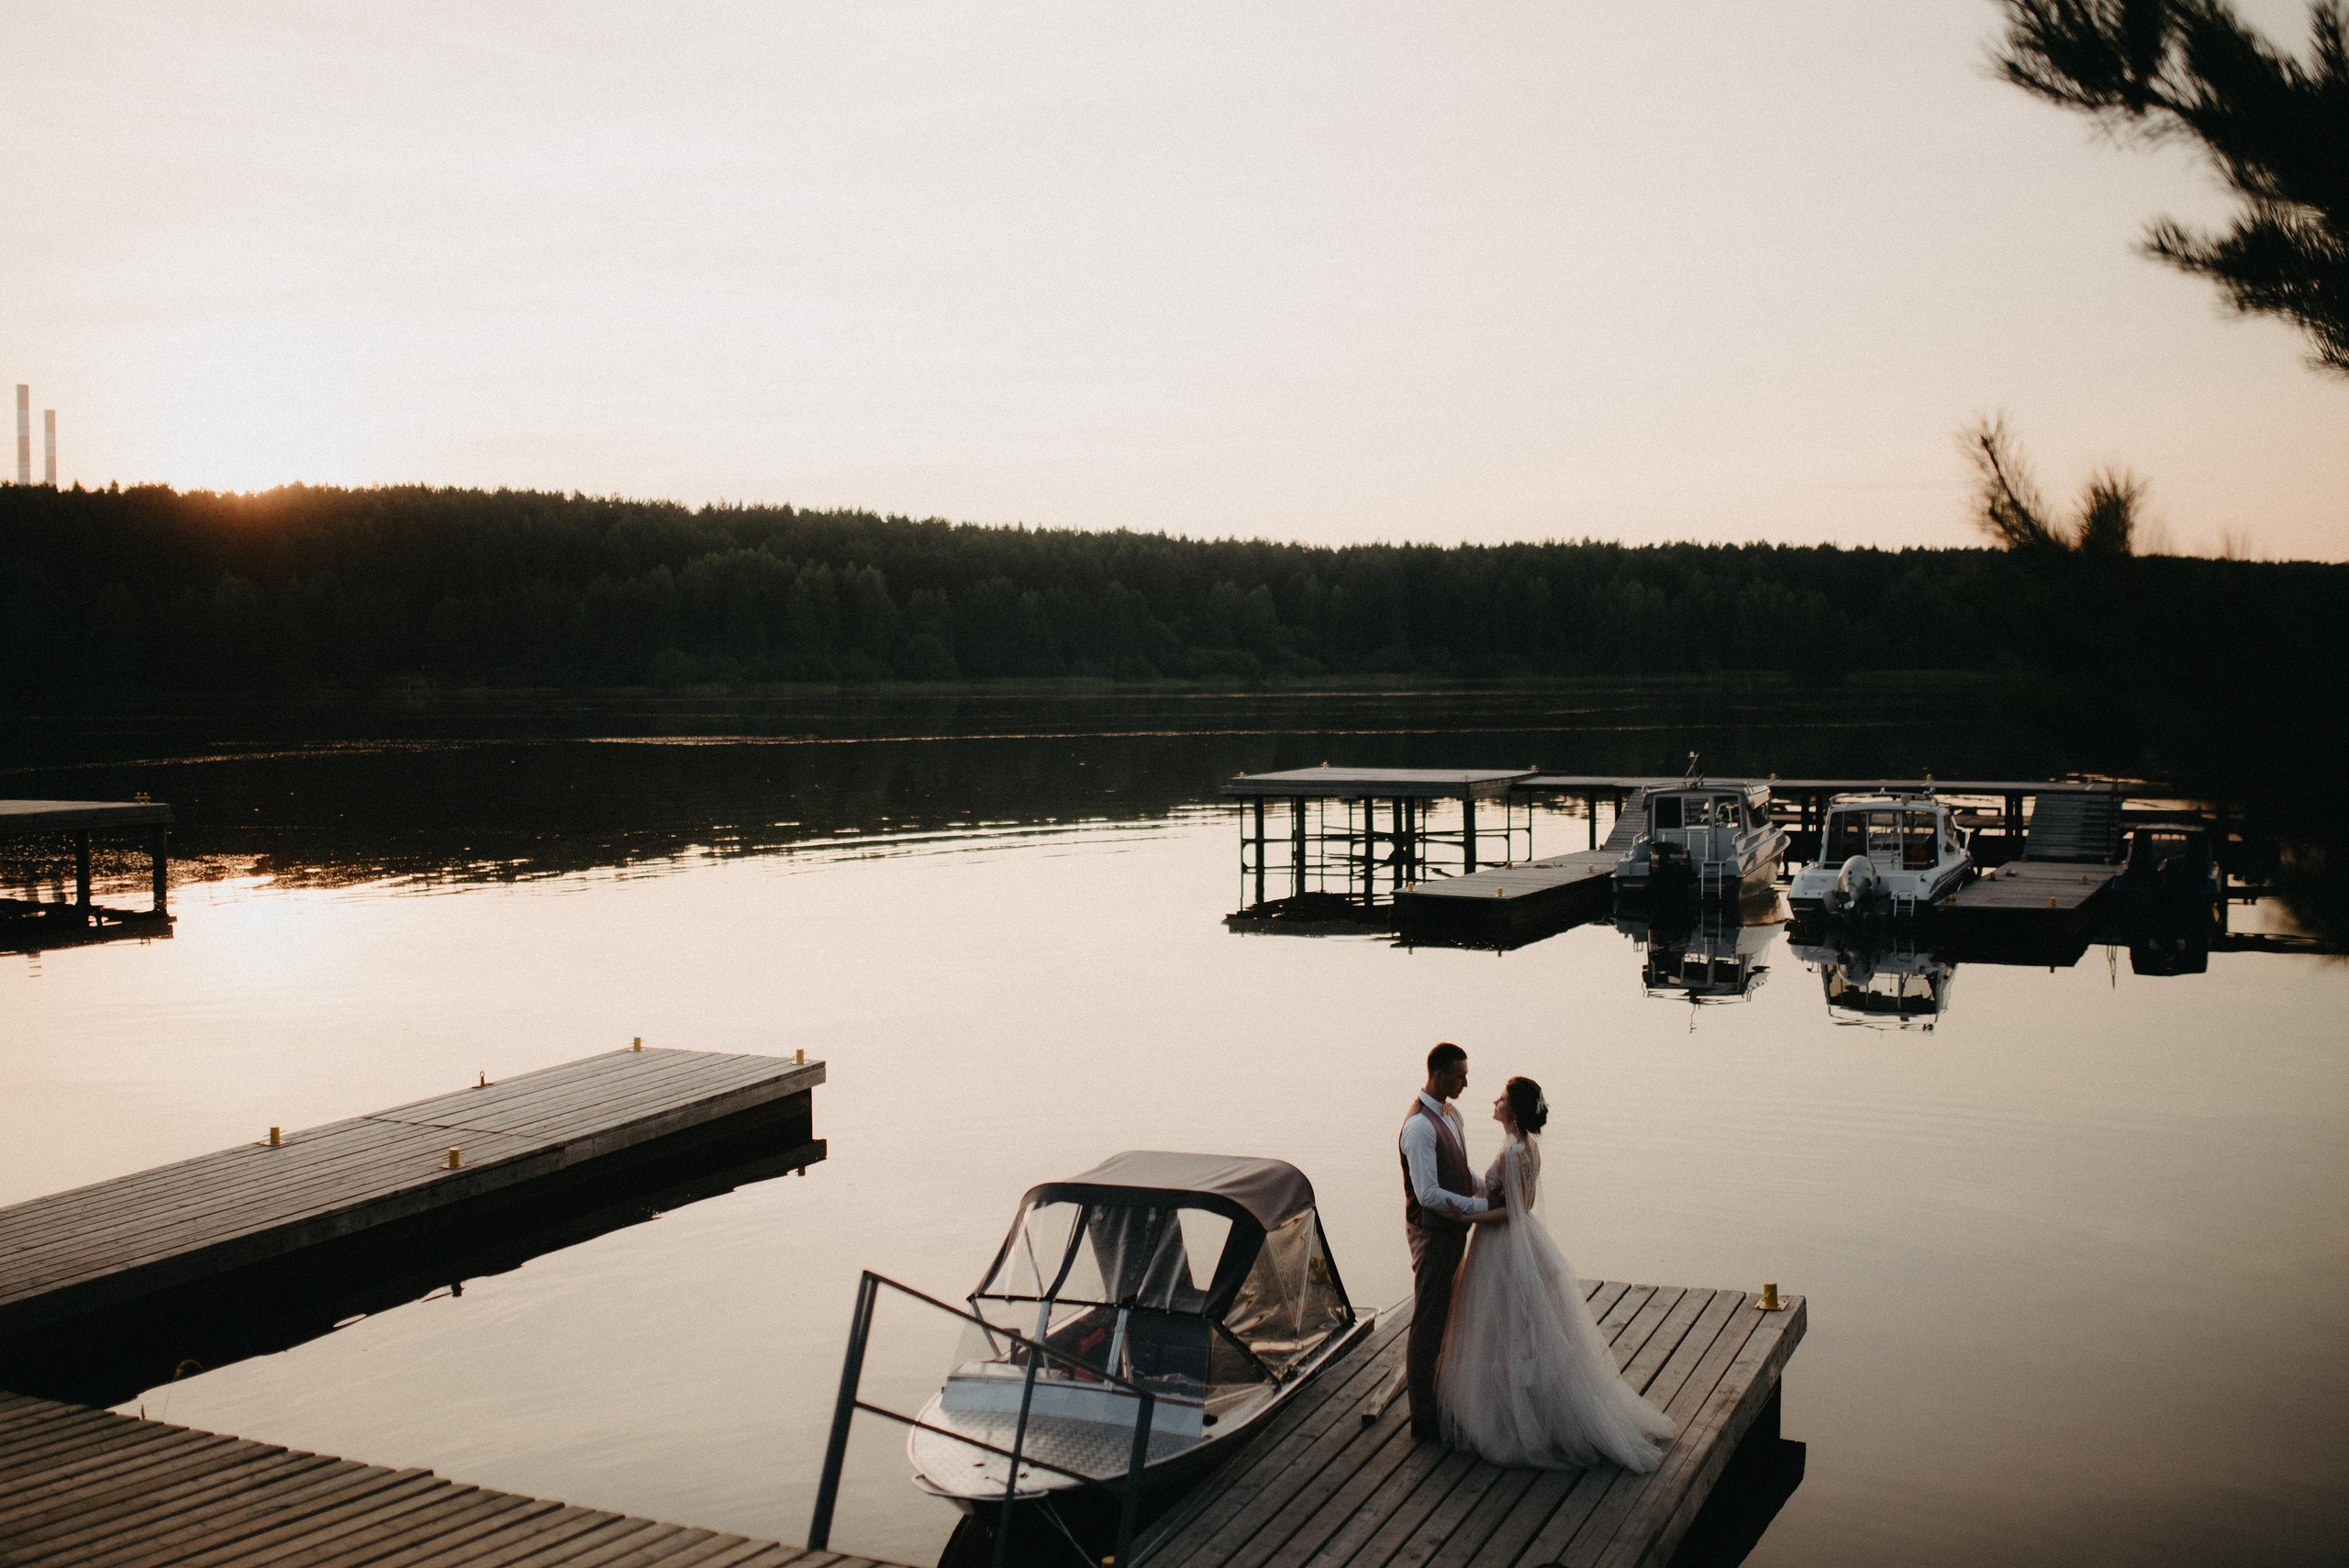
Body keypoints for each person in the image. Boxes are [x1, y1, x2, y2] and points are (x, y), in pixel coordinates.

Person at [1435, 1075, 1675, 1472]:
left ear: (1510, 1110)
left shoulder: (1512, 1151)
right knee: (1525, 1331)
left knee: (1500, 1331)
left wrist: (1467, 1212)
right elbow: (1524, 1203)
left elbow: (1513, 1210)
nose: (1493, 1101)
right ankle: (1530, 1408)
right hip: (1526, 1240)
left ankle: (1513, 1420)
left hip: (1501, 1244)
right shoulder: (1529, 1147)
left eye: (1500, 1098)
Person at [1398, 1040, 1497, 1442]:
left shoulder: (1452, 1115)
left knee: (1447, 1316)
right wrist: (1478, 1208)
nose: (1467, 1083)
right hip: (1433, 1235)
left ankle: (1439, 1397)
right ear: (1437, 1074)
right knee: (1428, 1321)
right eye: (1460, 1075)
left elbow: (1458, 1170)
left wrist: (1488, 1187)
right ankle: (1422, 1417)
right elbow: (1428, 1194)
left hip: (1454, 1231)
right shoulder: (1419, 1125)